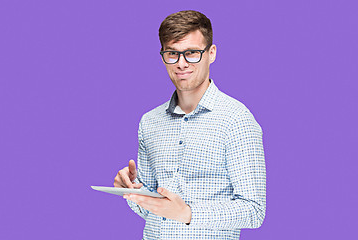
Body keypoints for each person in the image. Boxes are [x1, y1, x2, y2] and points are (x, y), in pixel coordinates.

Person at [114, 10, 266, 239]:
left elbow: (254, 211)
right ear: (163, 56)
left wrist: (188, 213)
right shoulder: (150, 122)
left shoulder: (237, 120)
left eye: (192, 53)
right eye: (172, 54)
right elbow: (151, 210)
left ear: (211, 53)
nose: (181, 63)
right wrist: (131, 190)